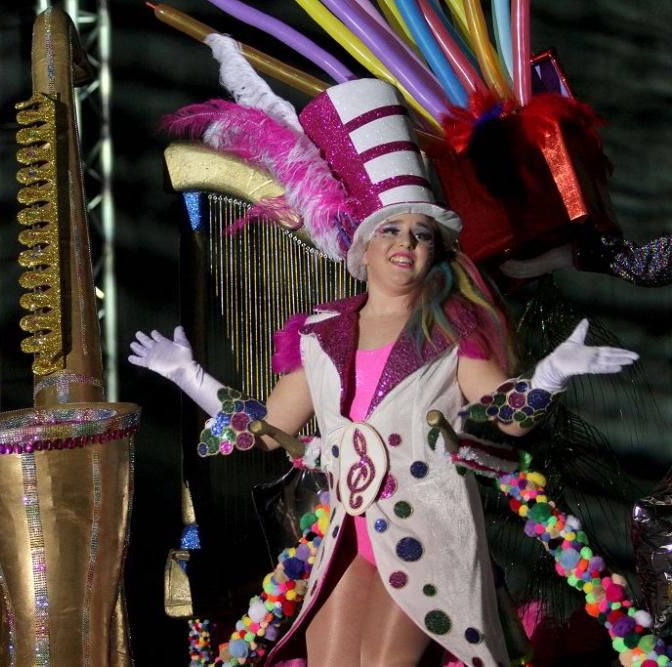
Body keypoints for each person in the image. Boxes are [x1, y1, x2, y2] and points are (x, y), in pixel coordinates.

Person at [130, 79, 637, 666]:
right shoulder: (319, 332)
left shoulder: (453, 332)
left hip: (429, 525)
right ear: (364, 248)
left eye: (422, 235)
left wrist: (550, 376)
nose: (406, 244)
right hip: (345, 530)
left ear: (435, 254)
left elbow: (507, 417)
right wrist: (190, 375)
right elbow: (273, 427)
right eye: (391, 230)